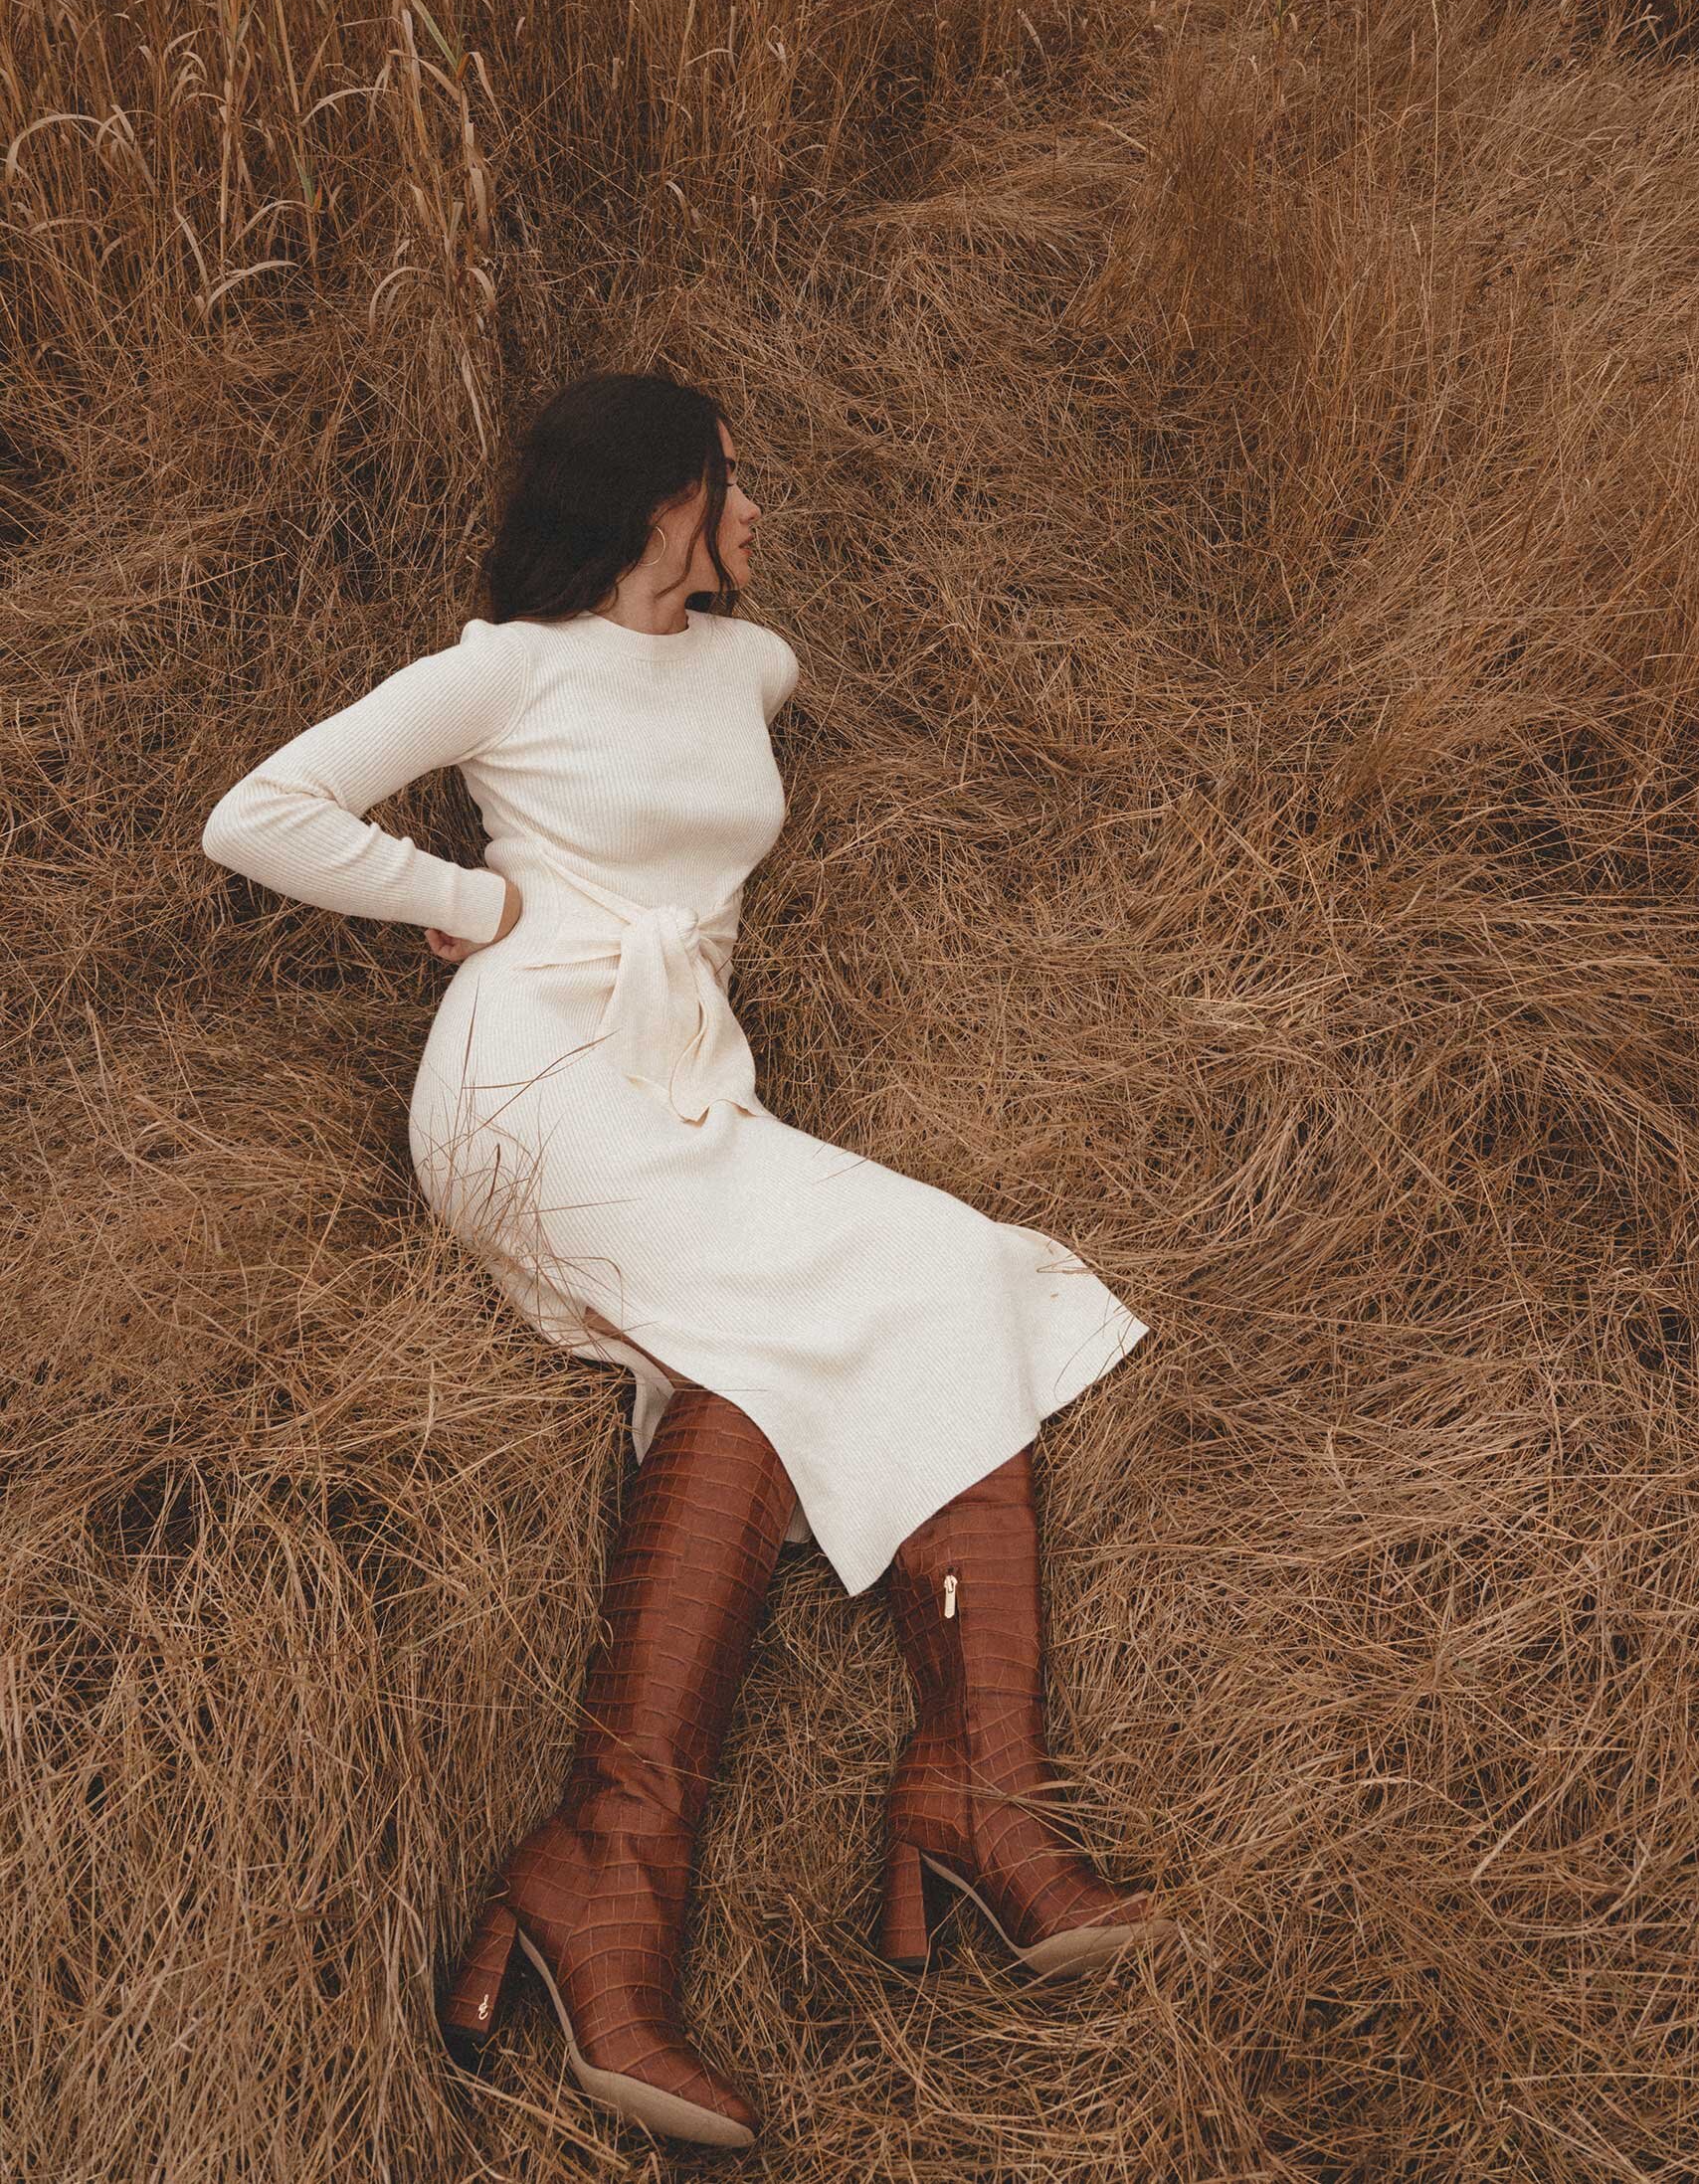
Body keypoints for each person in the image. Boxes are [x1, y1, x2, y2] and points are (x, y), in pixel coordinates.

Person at [199, 369, 1173, 2150]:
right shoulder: (505, 664)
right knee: (859, 1294)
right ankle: (747, 1857)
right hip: (535, 1085)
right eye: (735, 479)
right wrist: (478, 907)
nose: (759, 506)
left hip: (691, 1088)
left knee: (928, 1280)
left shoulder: (751, 663)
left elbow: (722, 742)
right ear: (662, 498)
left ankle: (885, 1814)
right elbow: (256, 814)